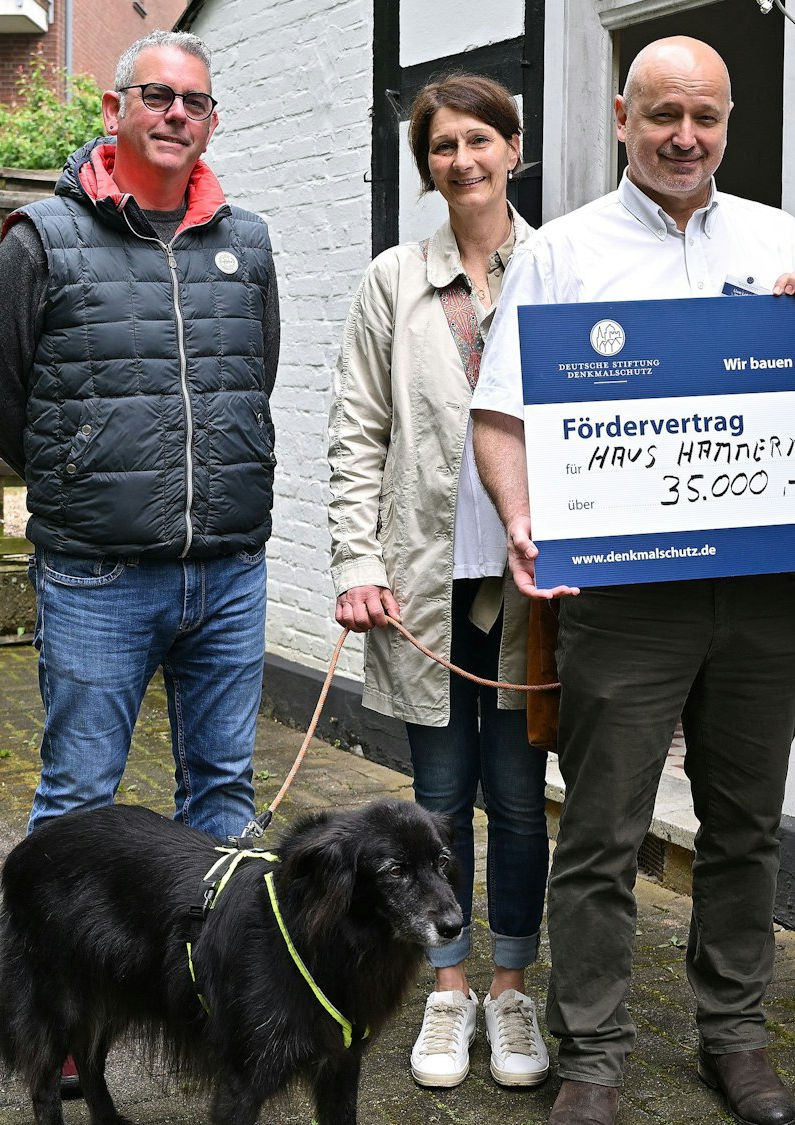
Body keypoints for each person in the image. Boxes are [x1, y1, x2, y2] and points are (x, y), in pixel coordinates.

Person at [470, 37, 795, 1125]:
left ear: (728, 123)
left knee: (743, 826)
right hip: (621, 600)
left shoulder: (777, 239)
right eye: (664, 114)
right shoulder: (564, 252)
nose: (685, 137)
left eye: (706, 118)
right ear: (623, 114)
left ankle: (734, 1037)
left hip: (762, 591)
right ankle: (592, 1055)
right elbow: (499, 416)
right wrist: (523, 516)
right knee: (601, 832)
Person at [0, 31, 281, 844]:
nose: (177, 114)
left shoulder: (246, 245)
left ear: (211, 123)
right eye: (158, 96)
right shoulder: (42, 239)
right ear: (114, 109)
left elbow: (252, 378)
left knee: (222, 792)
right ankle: (58, 975)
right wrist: (78, 475)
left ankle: (200, 969)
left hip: (228, 571)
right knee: (79, 799)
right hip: (97, 577)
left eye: (195, 102)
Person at [326, 74, 550, 1092]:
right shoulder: (390, 280)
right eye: (442, 146)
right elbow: (355, 431)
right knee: (435, 804)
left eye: (478, 141)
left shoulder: (556, 267)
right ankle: (446, 986)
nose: (461, 161)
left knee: (516, 798)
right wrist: (356, 561)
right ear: (428, 165)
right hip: (421, 582)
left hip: (530, 586)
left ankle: (511, 990)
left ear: (514, 148)